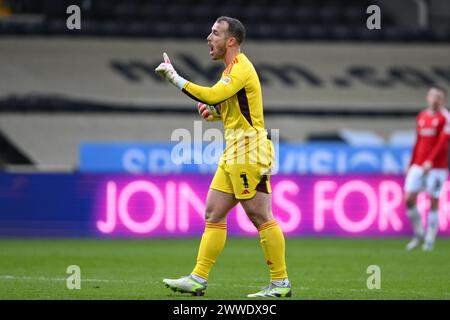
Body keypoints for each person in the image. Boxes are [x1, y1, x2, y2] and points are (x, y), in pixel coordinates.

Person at [155, 16, 291, 298]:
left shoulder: (240, 68)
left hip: (250, 151)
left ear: (231, 41)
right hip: (234, 150)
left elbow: (213, 94)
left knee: (260, 216)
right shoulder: (231, 70)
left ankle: (280, 283)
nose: (209, 37)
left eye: (215, 33)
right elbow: (233, 106)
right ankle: (197, 279)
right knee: (213, 213)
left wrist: (174, 78)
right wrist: (216, 114)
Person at [404, 86, 449, 251]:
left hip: (437, 167)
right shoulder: (422, 116)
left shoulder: (446, 118)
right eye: (433, 96)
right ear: (427, 98)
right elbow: (418, 141)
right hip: (418, 164)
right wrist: (411, 164)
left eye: (438, 96)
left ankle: (430, 237)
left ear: (442, 100)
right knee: (408, 199)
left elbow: (442, 142)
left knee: (433, 201)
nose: (435, 99)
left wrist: (430, 160)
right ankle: (419, 233)